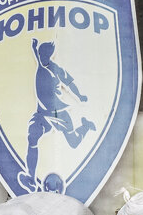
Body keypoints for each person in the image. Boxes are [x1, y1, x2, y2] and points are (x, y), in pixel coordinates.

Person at [19, 39, 96, 192]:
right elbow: (36, 56)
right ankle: (30, 178)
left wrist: (80, 96)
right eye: (40, 54)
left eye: (45, 54)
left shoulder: (56, 69)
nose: (41, 56)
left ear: (50, 54)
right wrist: (34, 47)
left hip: (58, 113)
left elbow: (69, 83)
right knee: (32, 137)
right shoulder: (40, 64)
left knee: (73, 142)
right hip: (42, 114)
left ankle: (85, 126)